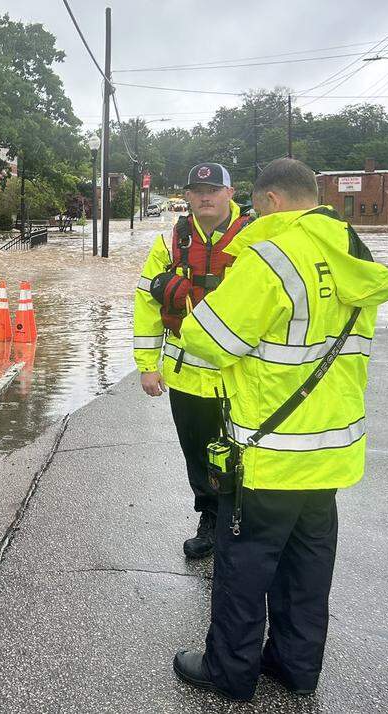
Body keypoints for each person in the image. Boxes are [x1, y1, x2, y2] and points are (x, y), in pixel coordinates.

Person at [170, 158, 388, 700]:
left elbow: (209, 339)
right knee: (306, 568)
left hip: (268, 452)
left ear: (271, 200)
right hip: (330, 451)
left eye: (255, 205)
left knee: (244, 565)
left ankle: (230, 671)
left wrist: (184, 298)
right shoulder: (352, 252)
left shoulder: (271, 257)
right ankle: (295, 667)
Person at [134, 162, 250, 559]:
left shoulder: (256, 238)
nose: (205, 196)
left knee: (245, 453)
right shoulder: (170, 243)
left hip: (243, 376)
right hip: (186, 376)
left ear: (230, 193)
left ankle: (243, 522)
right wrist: (147, 365)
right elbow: (147, 304)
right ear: (187, 196)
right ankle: (211, 519)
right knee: (199, 456)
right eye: (197, 191)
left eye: (213, 189)